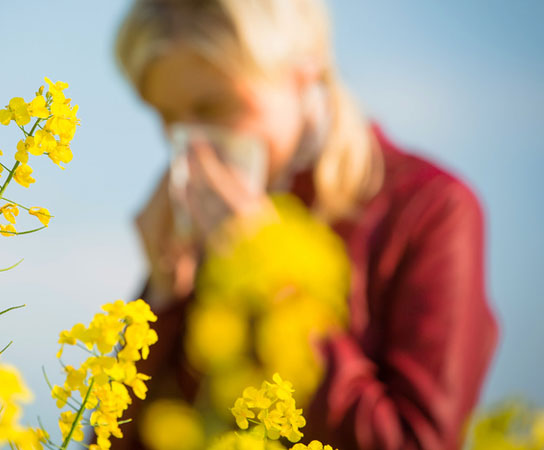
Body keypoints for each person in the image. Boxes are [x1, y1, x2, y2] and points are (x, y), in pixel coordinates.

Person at [113, 0, 499, 449]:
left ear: (304, 71)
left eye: (213, 106)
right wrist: (163, 299)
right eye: (168, 116)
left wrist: (269, 276)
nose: (192, 143)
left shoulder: (429, 210)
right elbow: (121, 437)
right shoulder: (204, 226)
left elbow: (416, 440)